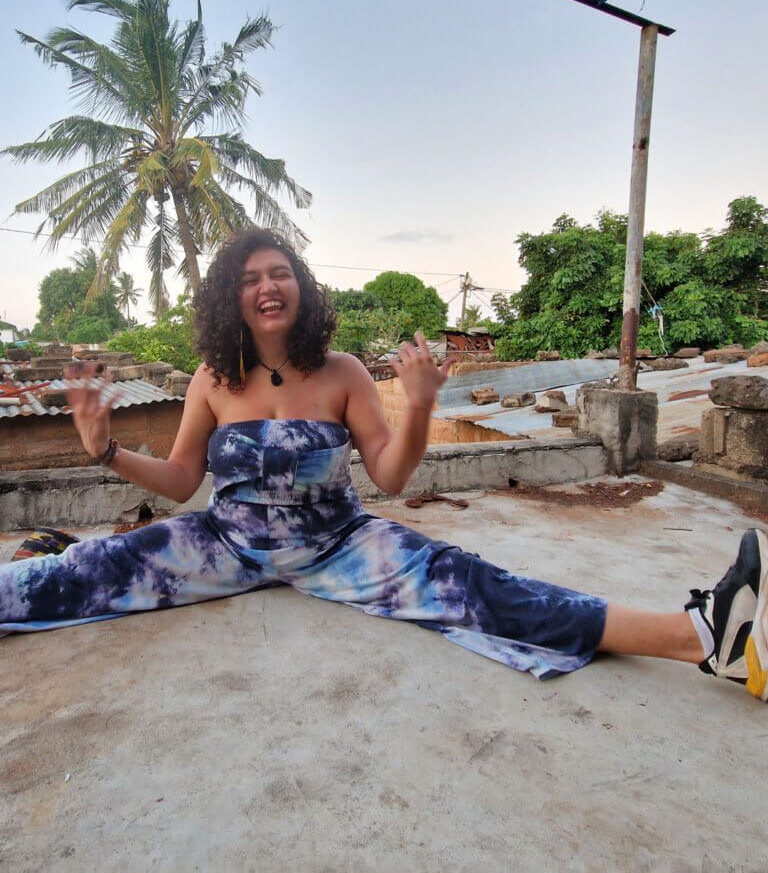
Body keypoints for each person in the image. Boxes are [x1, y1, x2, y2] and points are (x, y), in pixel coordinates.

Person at [1, 229, 766, 700]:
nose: (267, 286)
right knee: (79, 575)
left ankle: (706, 636)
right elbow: (180, 481)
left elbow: (392, 478)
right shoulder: (211, 378)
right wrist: (106, 450)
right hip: (224, 543)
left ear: (301, 286)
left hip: (342, 545)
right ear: (230, 299)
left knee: (478, 586)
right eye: (249, 278)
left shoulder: (342, 372)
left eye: (279, 272)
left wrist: (423, 405)